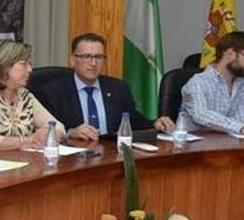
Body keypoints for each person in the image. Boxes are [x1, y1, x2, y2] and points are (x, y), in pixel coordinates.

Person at [32, 33, 174, 141]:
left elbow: (133, 121)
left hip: (111, 157)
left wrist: (155, 123)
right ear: (72, 60)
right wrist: (71, 132)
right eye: (87, 57)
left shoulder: (118, 88)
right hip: (72, 160)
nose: (93, 63)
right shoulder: (52, 91)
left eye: (99, 57)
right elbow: (44, 129)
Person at [0, 40, 65, 150]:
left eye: (30, 64)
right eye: (24, 64)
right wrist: (26, 141)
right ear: (4, 66)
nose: (30, 70)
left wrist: (48, 135)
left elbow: (58, 126)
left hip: (21, 162)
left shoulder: (24, 95)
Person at [182, 31, 244, 135]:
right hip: (202, 147)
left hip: (238, 146)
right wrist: (241, 127)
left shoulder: (243, 85)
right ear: (230, 54)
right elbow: (200, 114)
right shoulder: (198, 83)